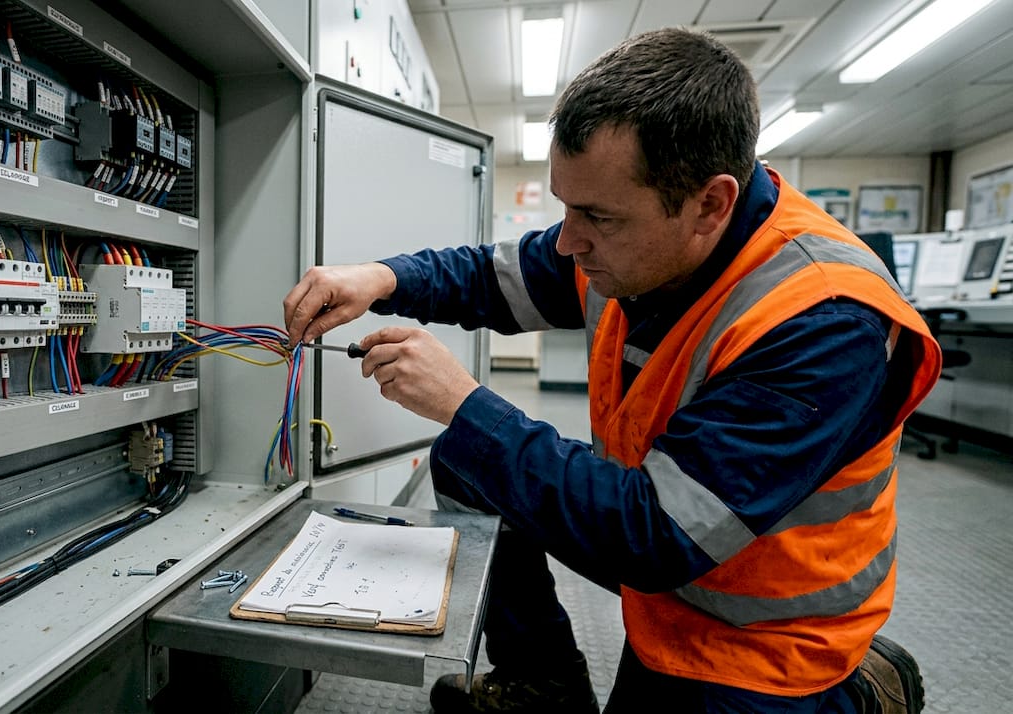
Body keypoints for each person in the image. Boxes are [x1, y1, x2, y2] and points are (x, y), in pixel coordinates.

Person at [283, 27, 940, 714]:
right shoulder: (639, 242)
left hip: (763, 634)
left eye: (596, 216)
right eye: (565, 206)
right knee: (467, 458)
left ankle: (865, 690)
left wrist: (466, 403)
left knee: (478, 435)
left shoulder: (824, 321)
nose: (568, 241)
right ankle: (542, 685)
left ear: (709, 205)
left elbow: (658, 534)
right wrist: (381, 277)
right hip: (665, 561)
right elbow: (493, 277)